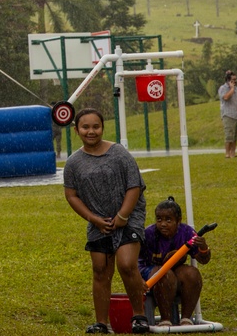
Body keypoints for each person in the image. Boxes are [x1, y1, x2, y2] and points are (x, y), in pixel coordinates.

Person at [63, 108, 149, 335]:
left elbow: (135, 186)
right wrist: (94, 219)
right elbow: (71, 195)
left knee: (127, 264)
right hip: (98, 219)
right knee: (100, 269)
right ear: (76, 130)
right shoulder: (73, 162)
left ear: (103, 127)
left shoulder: (119, 153)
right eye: (85, 127)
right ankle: (102, 323)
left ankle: (139, 316)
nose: (91, 131)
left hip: (128, 216)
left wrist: (122, 217)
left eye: (96, 127)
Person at [138, 196, 211, 327]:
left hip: (175, 271)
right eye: (159, 219)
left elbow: (203, 260)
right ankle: (166, 319)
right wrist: (137, 279)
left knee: (192, 274)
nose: (163, 224)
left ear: (178, 221)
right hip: (150, 271)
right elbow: (135, 261)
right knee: (165, 274)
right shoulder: (148, 234)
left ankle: (186, 319)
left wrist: (203, 248)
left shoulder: (186, 232)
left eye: (168, 220)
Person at [217, 70, 237, 158]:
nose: (235, 81)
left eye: (236, 79)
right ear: (228, 80)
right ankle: (227, 153)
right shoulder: (223, 88)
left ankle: (233, 153)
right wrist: (232, 88)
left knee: (235, 136)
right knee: (229, 135)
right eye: (233, 79)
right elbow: (225, 97)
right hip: (228, 114)